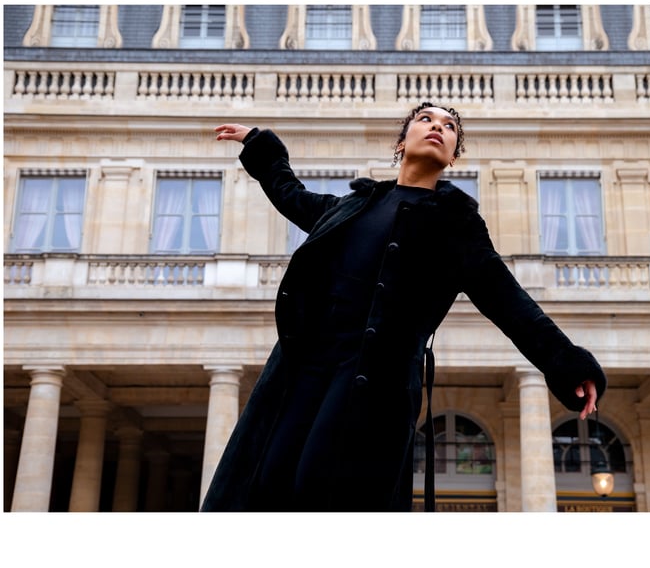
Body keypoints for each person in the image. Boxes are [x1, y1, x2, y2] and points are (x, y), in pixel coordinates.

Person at [200, 102, 606, 512]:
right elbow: (291, 195)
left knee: (325, 490)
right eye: (426, 119)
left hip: (375, 386)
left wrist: (568, 363)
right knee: (269, 483)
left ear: (453, 156)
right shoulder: (354, 206)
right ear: (401, 143)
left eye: (449, 126)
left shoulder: (458, 227)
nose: (437, 127)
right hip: (305, 371)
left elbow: (509, 301)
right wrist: (260, 145)